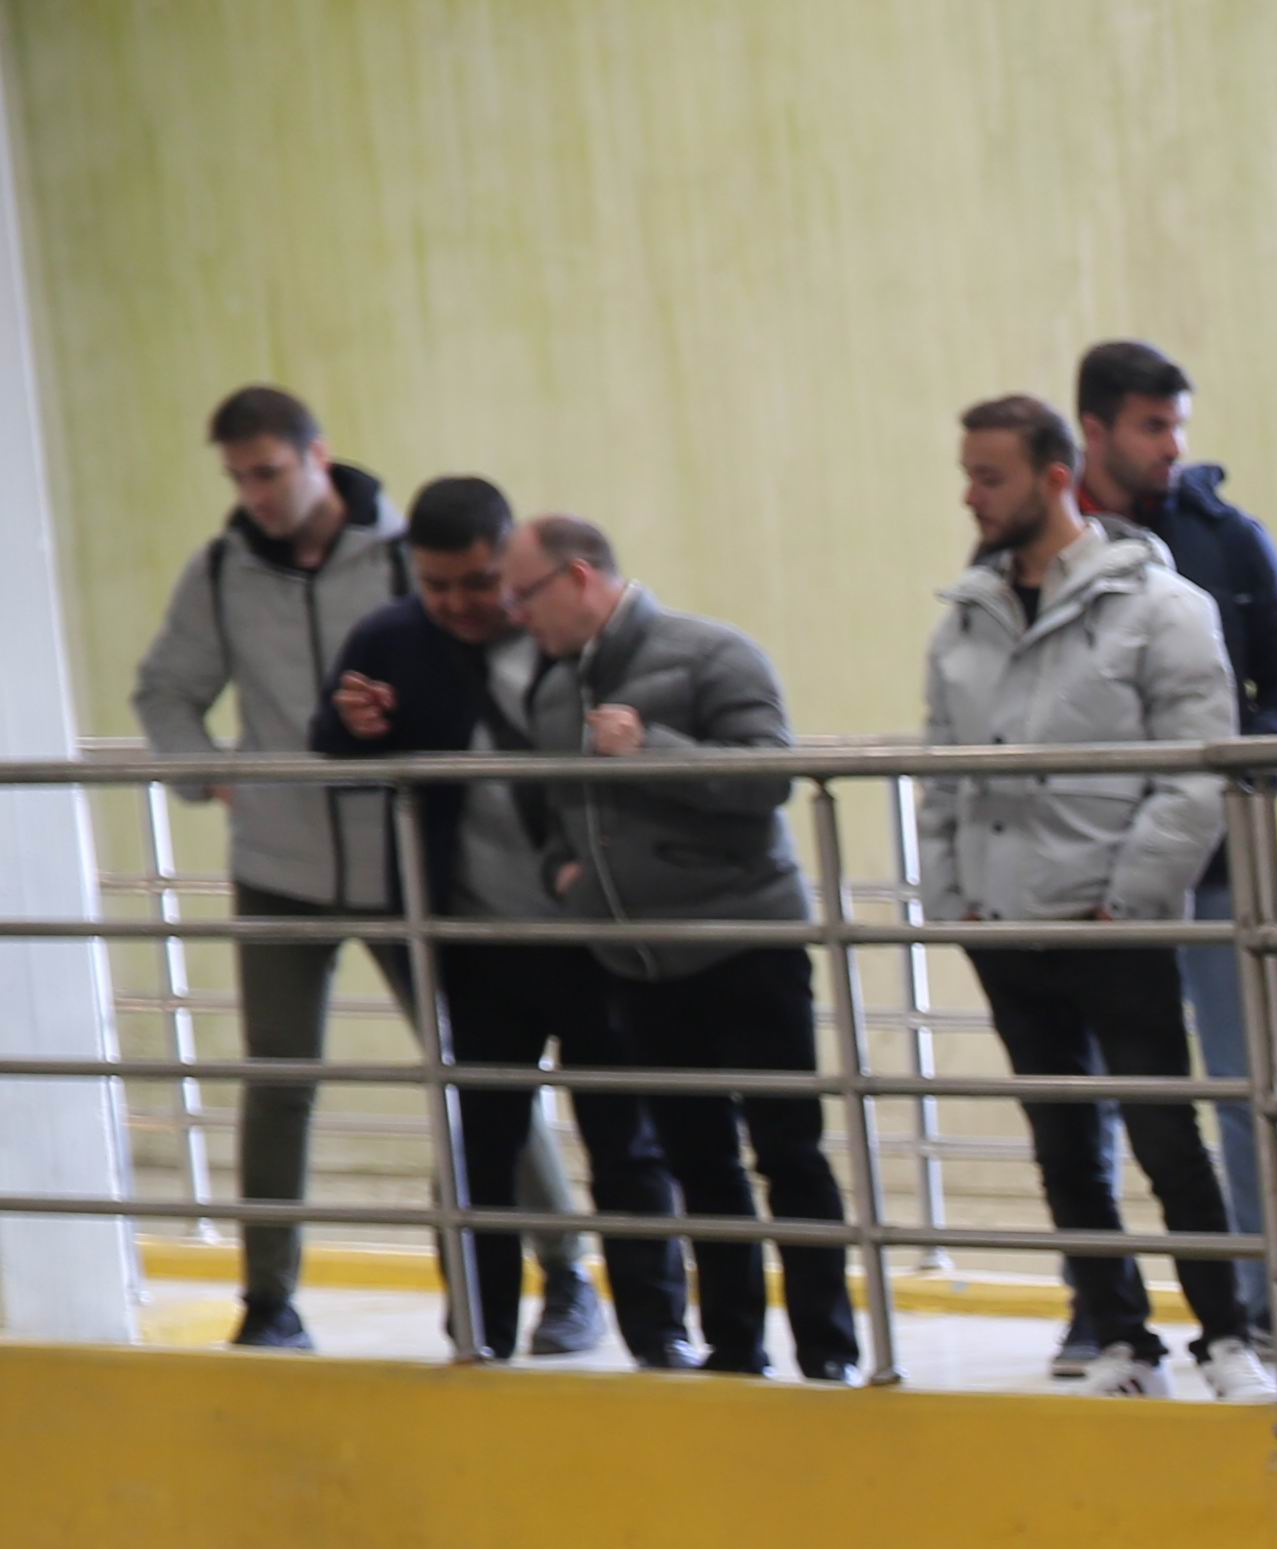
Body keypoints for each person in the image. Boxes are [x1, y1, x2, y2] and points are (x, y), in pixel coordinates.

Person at [919, 393, 1260, 1395]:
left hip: (1113, 923)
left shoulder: (1163, 607)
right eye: (969, 475)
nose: (972, 496)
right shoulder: (961, 623)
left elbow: (1198, 767)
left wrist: (1132, 900)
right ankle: (1118, 1337)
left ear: (1055, 478)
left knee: (1167, 1137)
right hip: (1003, 922)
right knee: (1064, 1144)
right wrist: (954, 905)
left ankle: (1228, 1337)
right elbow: (939, 771)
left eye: (991, 476)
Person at [504, 519, 856, 1383]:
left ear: (579, 577)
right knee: (700, 1168)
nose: (515, 616)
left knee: (789, 1154)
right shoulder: (550, 695)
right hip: (638, 966)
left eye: (525, 595)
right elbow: (553, 819)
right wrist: (567, 879)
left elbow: (770, 774)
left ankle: (829, 1353)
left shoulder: (712, 654)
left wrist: (650, 750)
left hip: (748, 946)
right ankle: (734, 1351)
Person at [318, 474, 651, 1364]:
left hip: (593, 939)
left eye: (478, 583)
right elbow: (332, 753)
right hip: (471, 944)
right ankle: (479, 1337)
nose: (460, 604)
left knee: (626, 1141)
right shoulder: (391, 639)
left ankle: (660, 1339)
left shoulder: (579, 641)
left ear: (515, 566)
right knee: (478, 1147)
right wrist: (358, 728)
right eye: (437, 586)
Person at [133, 385, 406, 1349]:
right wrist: (210, 779)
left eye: (269, 472)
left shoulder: (406, 559)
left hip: (406, 861)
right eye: (239, 477)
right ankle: (270, 1299)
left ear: (316, 456)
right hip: (278, 863)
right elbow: (166, 691)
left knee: (474, 1067)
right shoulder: (220, 575)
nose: (255, 494)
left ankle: (551, 1273)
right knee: (278, 1080)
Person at [1076, 340, 1277, 1366]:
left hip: (1215, 874)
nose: (1174, 447)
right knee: (1103, 1102)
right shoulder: (1039, 550)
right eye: (1152, 426)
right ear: (1094, 430)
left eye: (1178, 424)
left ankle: (1268, 1299)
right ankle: (1106, 1309)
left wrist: (1240, 787)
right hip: (1084, 887)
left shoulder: (1229, 543)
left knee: (1247, 1088)